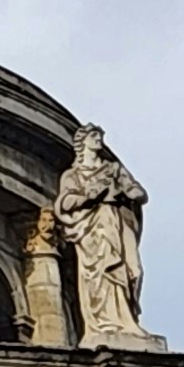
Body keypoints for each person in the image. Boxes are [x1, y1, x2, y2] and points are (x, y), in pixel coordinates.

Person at [54, 125, 153, 346]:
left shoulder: (113, 169)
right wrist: (89, 196)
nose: (99, 140)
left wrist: (127, 192)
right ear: (82, 142)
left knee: (133, 270)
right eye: (94, 136)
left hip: (116, 220)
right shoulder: (73, 175)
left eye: (99, 136)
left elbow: (139, 193)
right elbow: (66, 202)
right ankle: (106, 322)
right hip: (94, 227)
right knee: (100, 273)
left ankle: (126, 320)